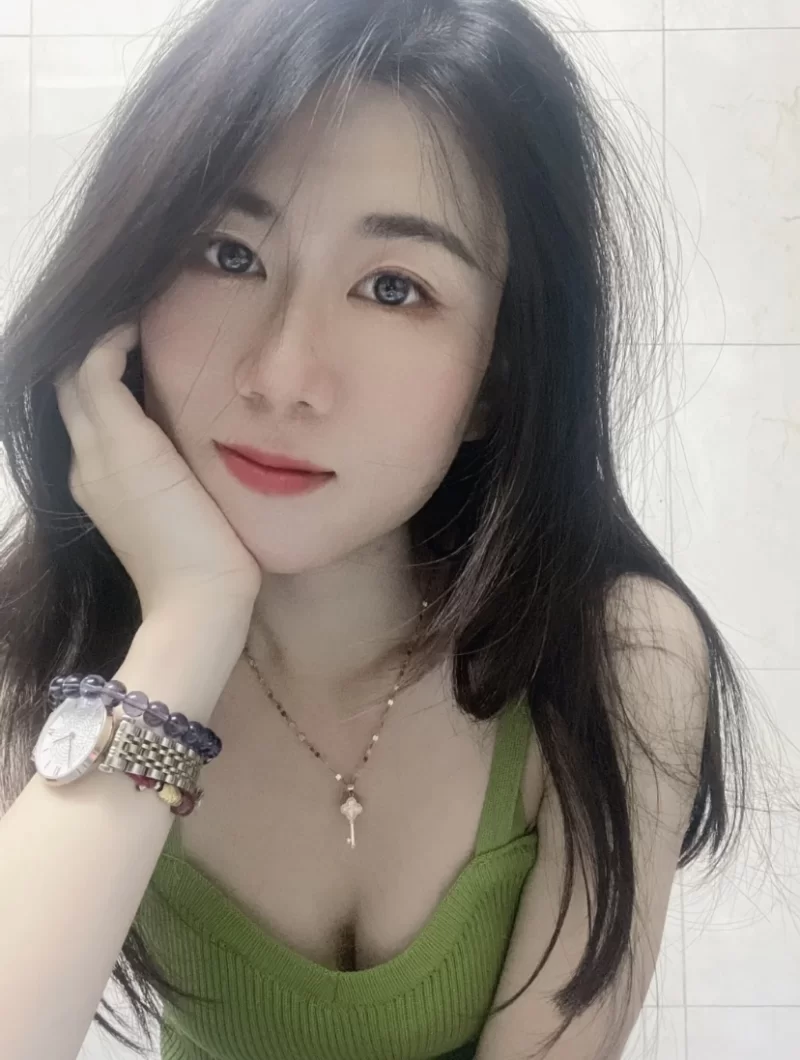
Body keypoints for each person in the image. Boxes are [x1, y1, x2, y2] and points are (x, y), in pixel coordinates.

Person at [0, 1, 757, 1058]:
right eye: (228, 253)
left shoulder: (615, 659)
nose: (281, 375)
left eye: (393, 287)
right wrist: (188, 623)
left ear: (499, 375)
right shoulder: (44, 637)